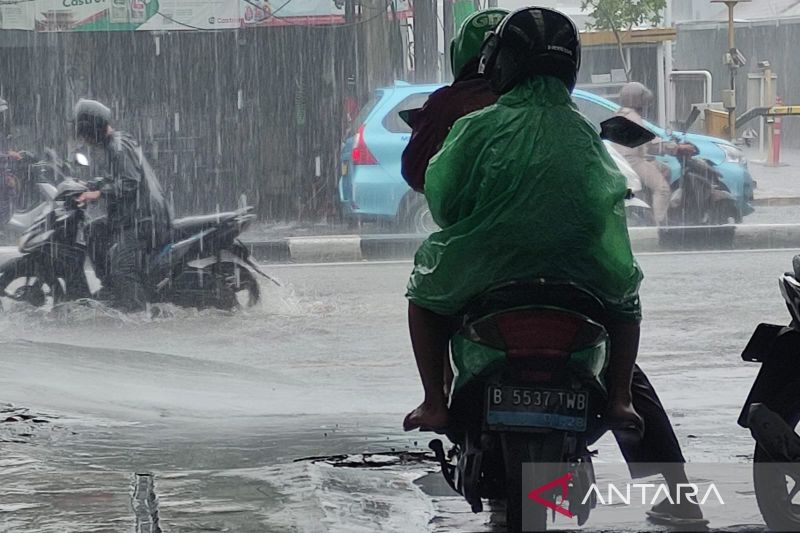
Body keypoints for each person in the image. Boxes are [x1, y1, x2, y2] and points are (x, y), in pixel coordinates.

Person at [73, 99, 172, 311]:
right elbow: (116, 178)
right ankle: (111, 288)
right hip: (130, 217)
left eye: (85, 135)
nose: (86, 141)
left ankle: (135, 312)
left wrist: (97, 193)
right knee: (93, 230)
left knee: (121, 265)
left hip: (145, 219)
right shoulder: (115, 144)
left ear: (93, 130)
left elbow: (129, 183)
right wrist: (90, 185)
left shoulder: (118, 147)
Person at [401, 8, 508, 192]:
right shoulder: (546, 106)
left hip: (467, 219)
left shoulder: (446, 103)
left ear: (456, 53)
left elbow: (416, 173)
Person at [612, 82, 696, 226]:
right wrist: (677, 147)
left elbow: (646, 143)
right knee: (662, 189)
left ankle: (651, 209)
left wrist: (669, 147)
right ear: (638, 100)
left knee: (664, 169)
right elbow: (651, 142)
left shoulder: (620, 114)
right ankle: (659, 225)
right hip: (632, 161)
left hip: (624, 159)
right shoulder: (632, 117)